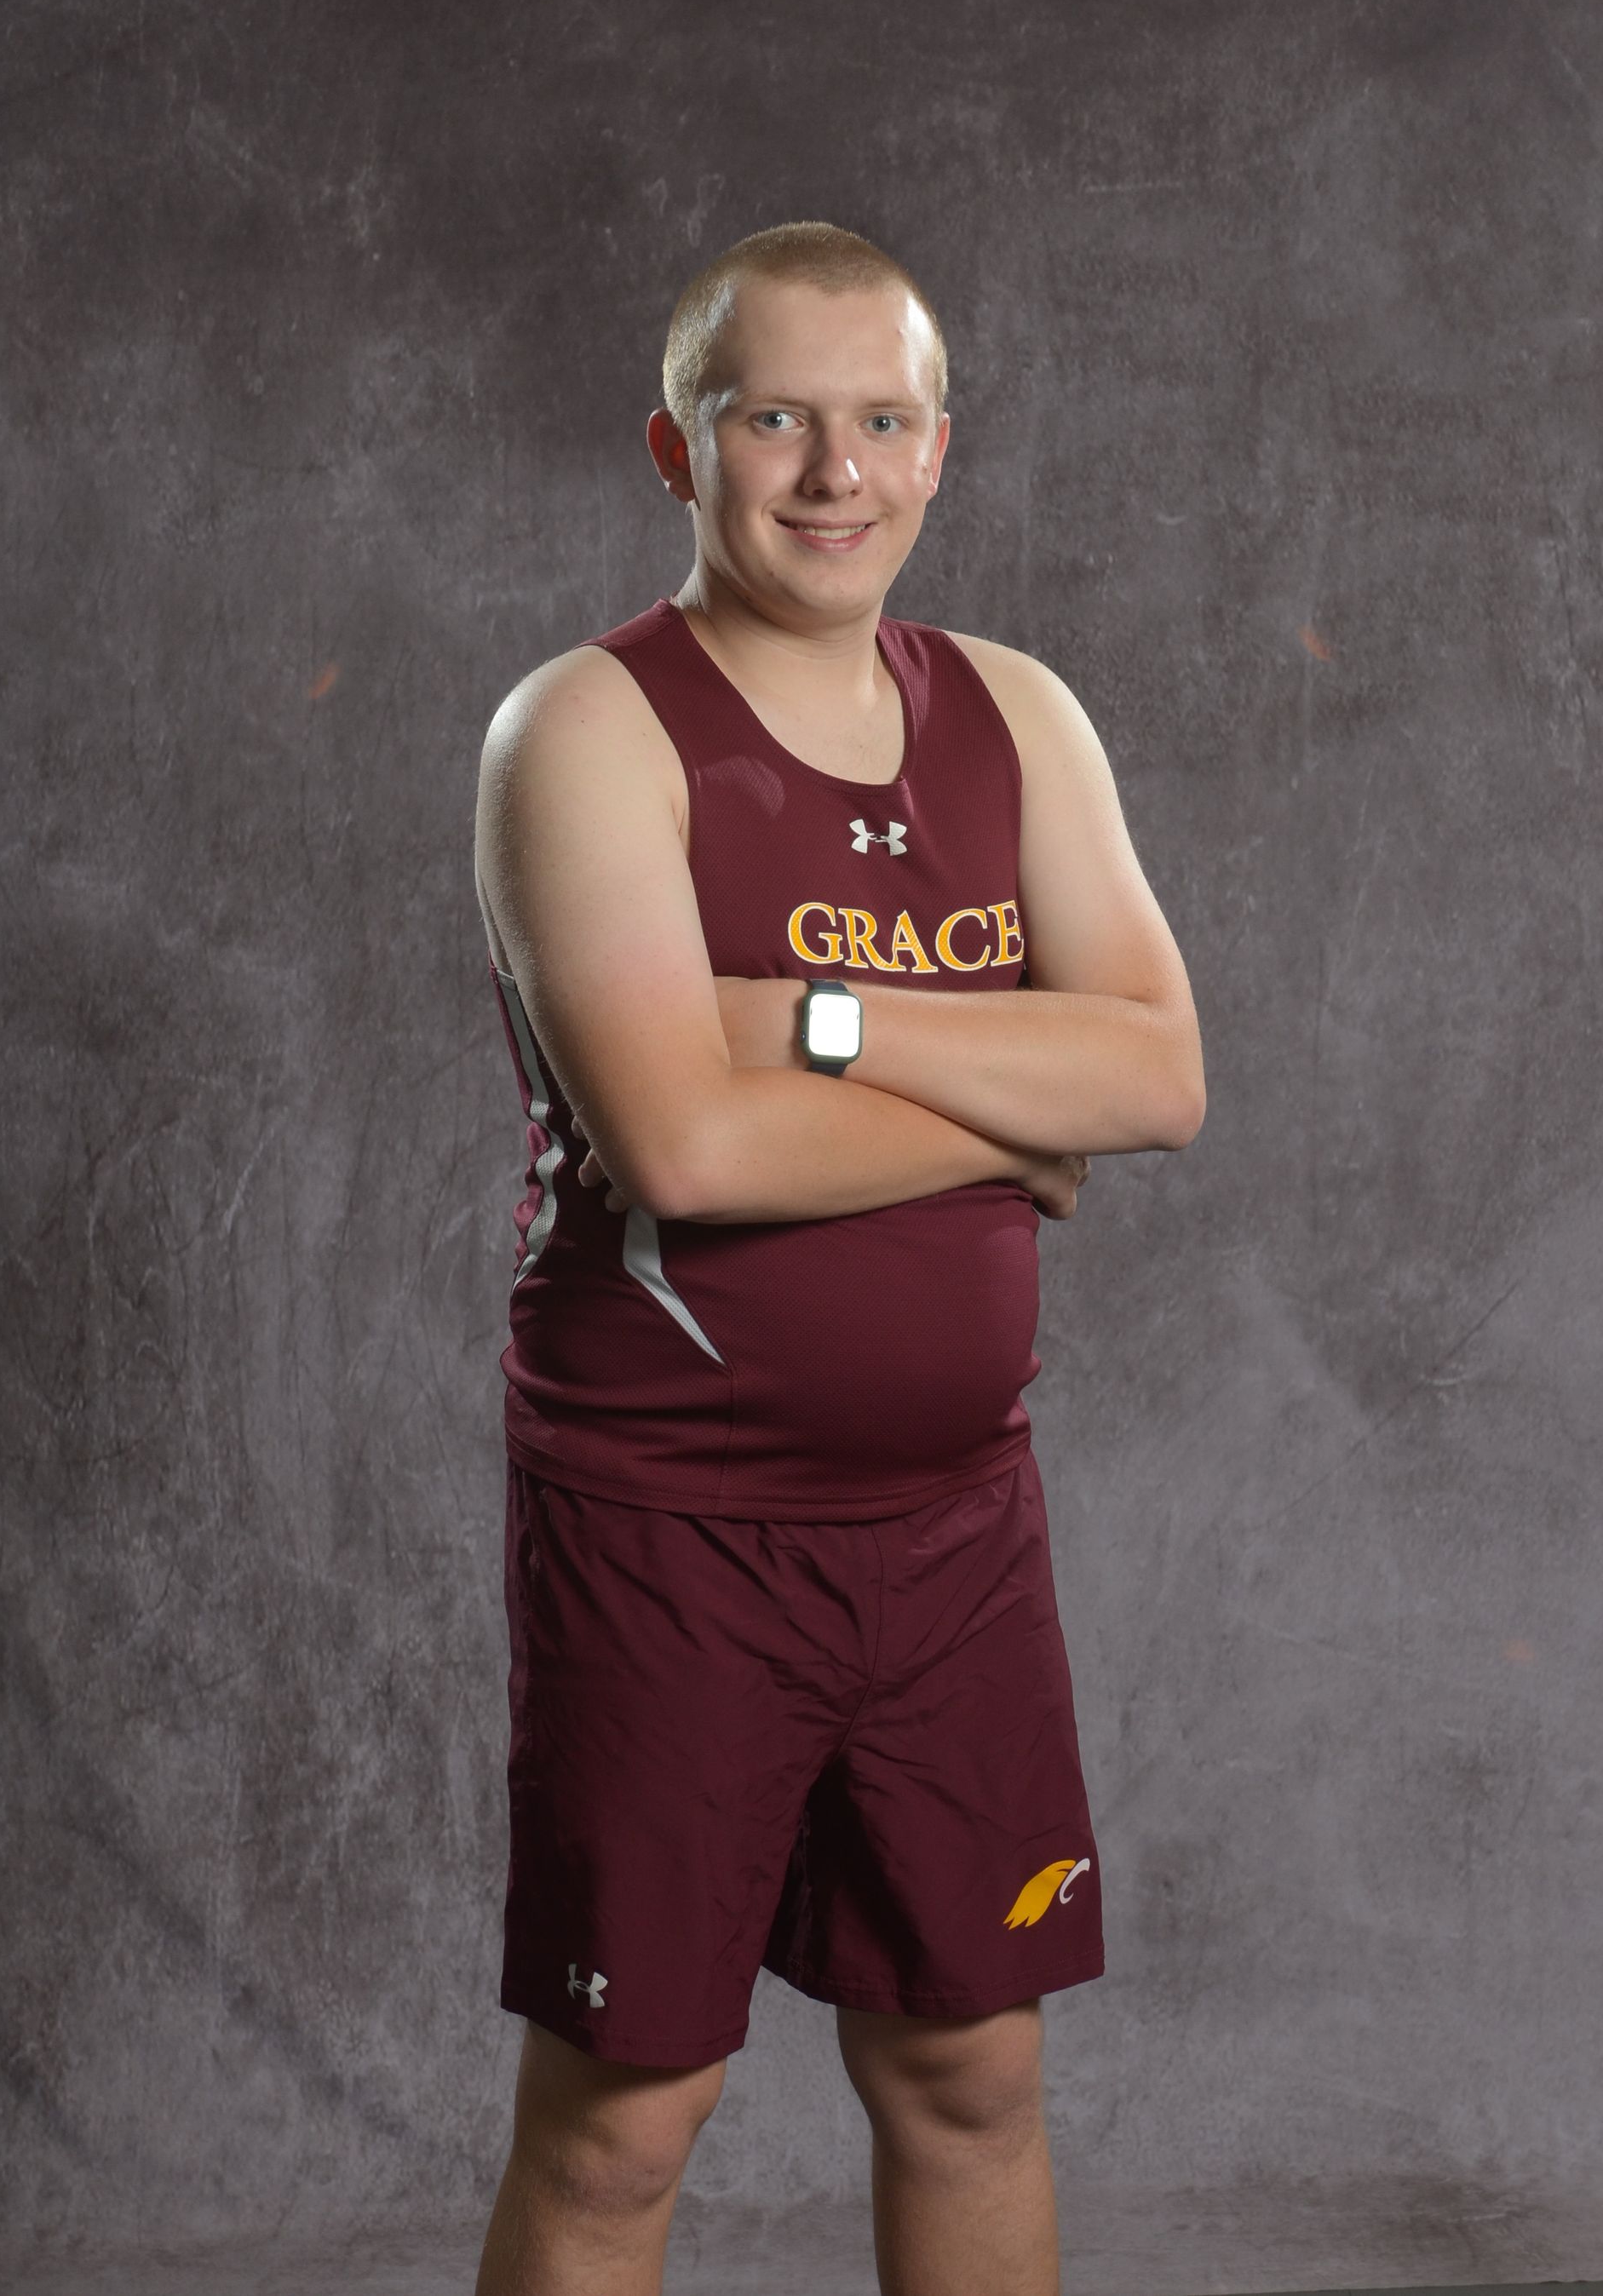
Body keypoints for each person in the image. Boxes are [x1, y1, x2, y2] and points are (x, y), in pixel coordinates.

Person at [472, 220, 1204, 2296]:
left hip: (960, 1527)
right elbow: (683, 1152)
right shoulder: (592, 732)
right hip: (670, 1531)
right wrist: (1007, 1124)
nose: (832, 471)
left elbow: (1158, 1077)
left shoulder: (1016, 714)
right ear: (675, 445)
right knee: (626, 2121)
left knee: (974, 2072)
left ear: (941, 450)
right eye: (774, 416)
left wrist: (810, 1017)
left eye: (880, 420)